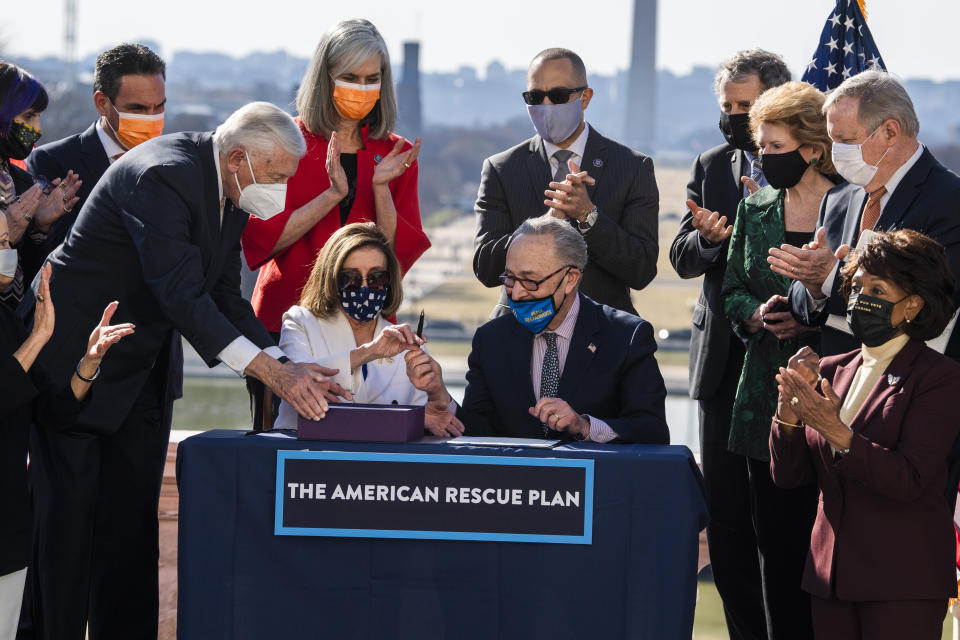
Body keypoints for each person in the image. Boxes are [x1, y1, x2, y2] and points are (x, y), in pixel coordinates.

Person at [23, 102, 349, 640]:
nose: (281, 190)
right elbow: (183, 295)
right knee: (66, 537)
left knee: (130, 539)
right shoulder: (164, 175)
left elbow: (224, 292)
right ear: (241, 156)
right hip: (74, 368)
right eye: (277, 177)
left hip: (139, 378)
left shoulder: (231, 181)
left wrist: (283, 362)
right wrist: (271, 372)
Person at [241, 19, 430, 428]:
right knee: (281, 448)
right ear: (324, 79)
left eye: (371, 79)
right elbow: (261, 243)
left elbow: (393, 259)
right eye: (349, 77)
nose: (361, 89)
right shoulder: (284, 140)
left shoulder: (395, 153)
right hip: (285, 321)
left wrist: (381, 189)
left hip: (367, 327)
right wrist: (331, 196)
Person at [771, 229, 960, 640]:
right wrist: (787, 415)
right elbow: (789, 478)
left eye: (877, 288)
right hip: (830, 577)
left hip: (902, 581)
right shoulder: (830, 370)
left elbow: (909, 479)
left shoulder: (939, 377)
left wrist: (837, 431)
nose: (860, 297)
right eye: (856, 285)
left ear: (913, 304)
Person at [668, 49, 790, 640]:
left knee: (781, 521)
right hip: (721, 366)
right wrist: (710, 242)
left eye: (746, 106)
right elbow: (681, 254)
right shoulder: (713, 164)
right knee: (728, 527)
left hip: (785, 363)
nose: (736, 116)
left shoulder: (810, 170)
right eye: (728, 107)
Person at [722, 80, 841, 639]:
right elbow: (732, 289)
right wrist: (757, 312)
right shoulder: (754, 206)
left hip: (835, 398)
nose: (763, 158)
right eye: (760, 147)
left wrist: (809, 313)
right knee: (774, 548)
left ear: (813, 148)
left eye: (774, 147)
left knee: (832, 554)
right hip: (762, 403)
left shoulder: (853, 205)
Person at [777, 70, 960, 360]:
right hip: (838, 382)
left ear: (890, 132)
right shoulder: (836, 200)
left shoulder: (950, 199)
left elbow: (936, 303)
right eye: (832, 139)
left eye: (846, 140)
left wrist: (831, 278)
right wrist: (813, 286)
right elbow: (802, 304)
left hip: (908, 387)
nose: (836, 152)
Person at [1, 252, 132, 640]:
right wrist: (39, 337)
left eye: (8, 240)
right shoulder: (26, 332)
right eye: (1, 240)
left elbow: (54, 410)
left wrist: (88, 363)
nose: (8, 251)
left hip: (8, 528)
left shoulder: (9, 322)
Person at [474, 47, 659, 317]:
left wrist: (588, 217)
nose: (546, 106)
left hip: (602, 334)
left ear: (585, 98)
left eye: (559, 96)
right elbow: (486, 268)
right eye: (535, 97)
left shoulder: (632, 167)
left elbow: (641, 270)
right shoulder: (502, 168)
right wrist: (544, 224)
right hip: (518, 332)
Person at [457, 215, 668, 444]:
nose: (516, 294)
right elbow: (476, 434)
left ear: (570, 279)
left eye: (530, 281)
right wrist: (442, 401)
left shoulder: (626, 337)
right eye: (509, 278)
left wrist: (584, 426)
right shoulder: (490, 340)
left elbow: (652, 431)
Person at [274, 222, 462, 437]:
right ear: (332, 278)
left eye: (376, 277)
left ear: (389, 281)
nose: (364, 288)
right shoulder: (300, 322)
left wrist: (439, 394)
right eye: (351, 278)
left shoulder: (407, 342)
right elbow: (297, 384)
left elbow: (444, 422)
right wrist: (369, 352)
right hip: (305, 458)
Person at [27, 43, 166, 250]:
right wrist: (42, 227)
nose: (151, 118)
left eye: (159, 106)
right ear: (102, 103)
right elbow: (44, 256)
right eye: (137, 108)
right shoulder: (54, 160)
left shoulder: (170, 163)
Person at [0, 62, 81, 307]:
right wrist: (8, 239)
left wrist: (40, 228)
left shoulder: (23, 183)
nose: (37, 129)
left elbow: (32, 279)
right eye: (28, 117)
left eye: (38, 117)